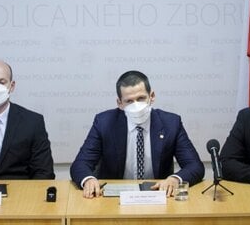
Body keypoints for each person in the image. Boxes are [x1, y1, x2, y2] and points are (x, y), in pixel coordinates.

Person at [70, 70, 205, 198]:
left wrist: (175, 179)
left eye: (141, 98)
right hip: (114, 197)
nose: (136, 105)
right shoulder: (104, 123)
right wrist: (88, 180)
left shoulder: (171, 123)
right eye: (129, 101)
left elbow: (195, 166)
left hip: (158, 194)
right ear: (120, 103)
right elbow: (80, 164)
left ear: (151, 96)